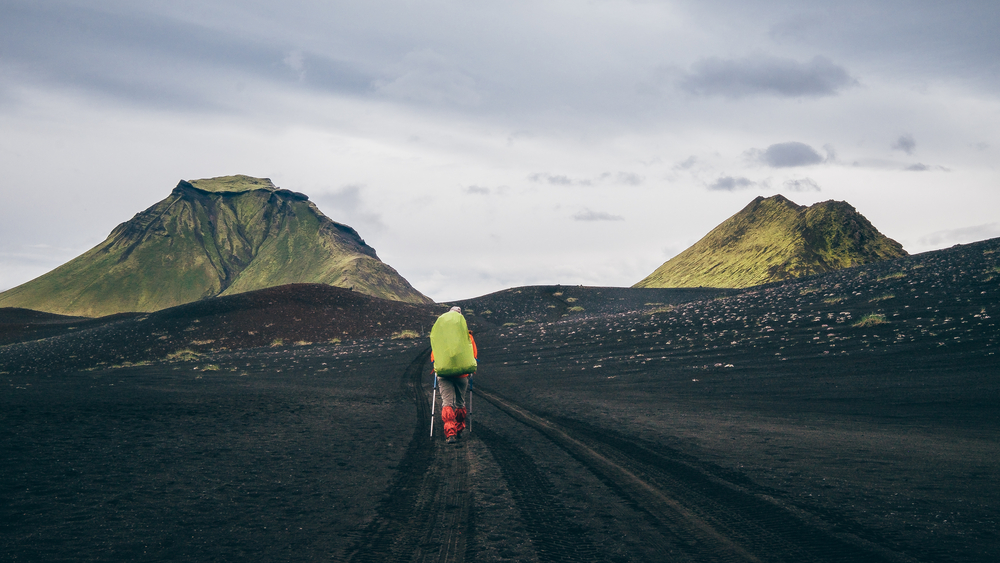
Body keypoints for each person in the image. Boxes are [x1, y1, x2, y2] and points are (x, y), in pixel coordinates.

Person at [430, 306, 478, 444]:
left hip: (444, 374)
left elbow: (434, 356)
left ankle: (450, 434)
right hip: (462, 375)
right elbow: (473, 355)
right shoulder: (467, 337)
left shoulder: (441, 338)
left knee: (447, 403)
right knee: (460, 403)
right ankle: (459, 428)